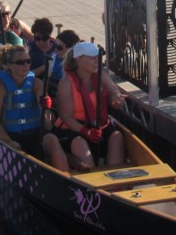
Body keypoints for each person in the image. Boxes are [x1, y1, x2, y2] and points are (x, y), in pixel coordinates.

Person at [45, 42, 125, 171]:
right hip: (73, 129)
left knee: (117, 137)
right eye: (92, 58)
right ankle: (91, 183)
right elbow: (66, 117)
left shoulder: (101, 76)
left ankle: (116, 180)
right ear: (79, 59)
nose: (97, 61)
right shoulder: (66, 83)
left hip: (98, 127)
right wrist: (86, 132)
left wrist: (116, 99)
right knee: (79, 144)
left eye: (98, 58)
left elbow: (113, 91)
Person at [0, 43, 49, 156]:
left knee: (51, 140)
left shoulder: (37, 84)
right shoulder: (1, 87)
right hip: (12, 136)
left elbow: (44, 112)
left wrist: (45, 105)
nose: (25, 65)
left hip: (35, 135)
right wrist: (8, 142)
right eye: (20, 62)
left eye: (28, 61)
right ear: (9, 65)